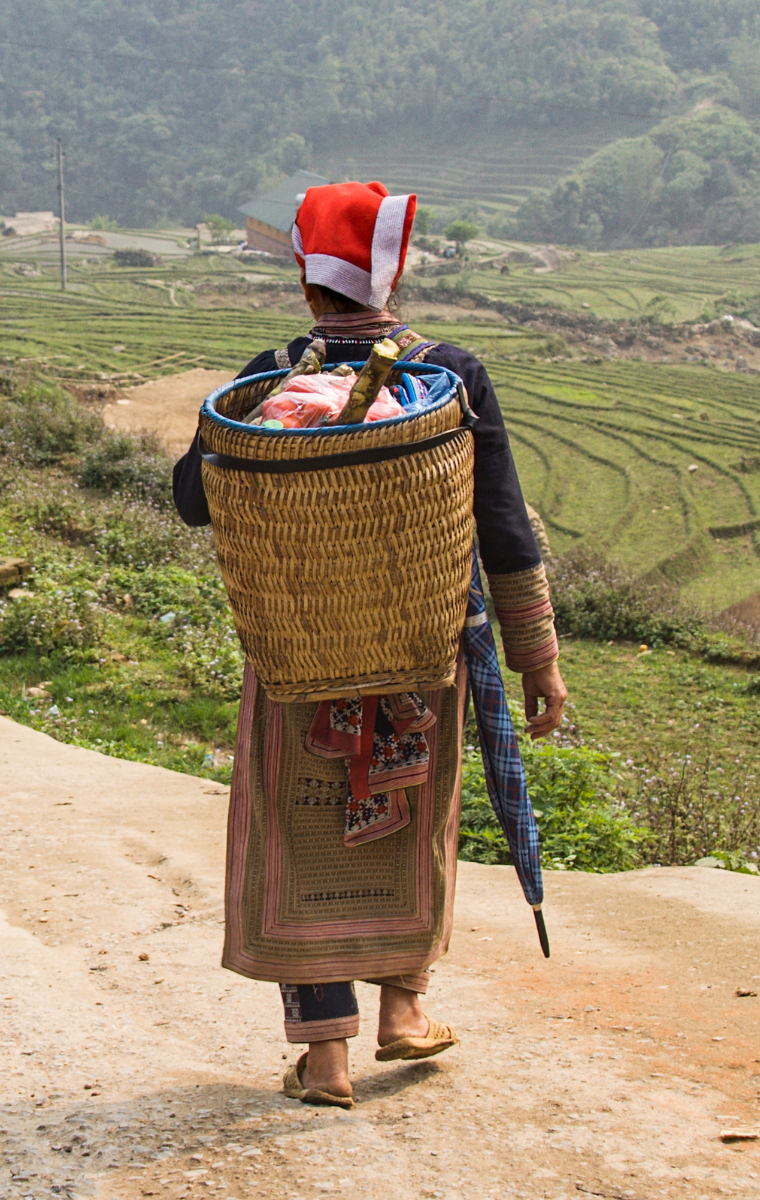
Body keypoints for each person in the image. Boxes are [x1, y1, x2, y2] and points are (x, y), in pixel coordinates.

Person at [171, 181, 568, 1108]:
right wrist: (537, 657)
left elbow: (194, 498)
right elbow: (503, 525)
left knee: (298, 838)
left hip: (296, 653)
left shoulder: (267, 376)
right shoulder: (452, 374)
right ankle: (403, 1012)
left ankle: (325, 1060)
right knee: (410, 826)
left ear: (310, 283)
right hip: (419, 650)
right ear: (394, 272)